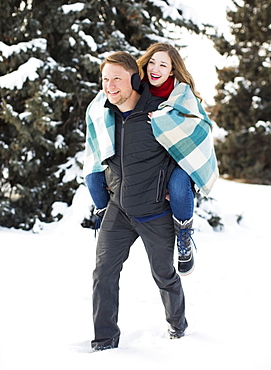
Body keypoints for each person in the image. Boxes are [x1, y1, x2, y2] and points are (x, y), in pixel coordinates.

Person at [84, 43, 218, 276]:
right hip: (142, 154)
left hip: (178, 155)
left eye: (163, 65)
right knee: (93, 177)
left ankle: (184, 234)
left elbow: (199, 126)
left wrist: (164, 119)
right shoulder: (139, 85)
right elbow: (113, 95)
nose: (155, 68)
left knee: (177, 185)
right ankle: (107, 220)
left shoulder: (181, 93)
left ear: (172, 71)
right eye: (151, 62)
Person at [85, 51, 188, 352]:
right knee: (103, 273)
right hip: (118, 209)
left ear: (133, 78)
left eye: (117, 78)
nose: (110, 85)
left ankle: (177, 326)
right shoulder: (104, 115)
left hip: (154, 211)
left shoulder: (159, 113)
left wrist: (172, 185)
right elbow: (95, 152)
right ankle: (104, 342)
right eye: (105, 79)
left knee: (163, 273)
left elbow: (184, 153)